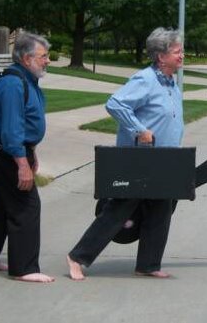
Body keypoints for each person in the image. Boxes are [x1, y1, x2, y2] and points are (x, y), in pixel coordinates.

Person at [67, 27, 184, 281]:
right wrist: (139, 130)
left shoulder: (172, 83)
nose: (182, 55)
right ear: (161, 56)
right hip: (139, 160)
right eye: (177, 51)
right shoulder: (145, 79)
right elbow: (115, 103)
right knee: (119, 210)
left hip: (164, 160)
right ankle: (78, 257)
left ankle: (148, 264)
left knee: (161, 210)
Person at [0, 32, 54, 283]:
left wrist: (32, 154)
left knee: (2, 208)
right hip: (10, 154)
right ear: (25, 57)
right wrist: (22, 163)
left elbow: (27, 123)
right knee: (26, 208)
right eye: (43, 56)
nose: (47, 61)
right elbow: (11, 129)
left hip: (19, 151)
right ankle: (24, 268)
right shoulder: (12, 84)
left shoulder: (27, 79)